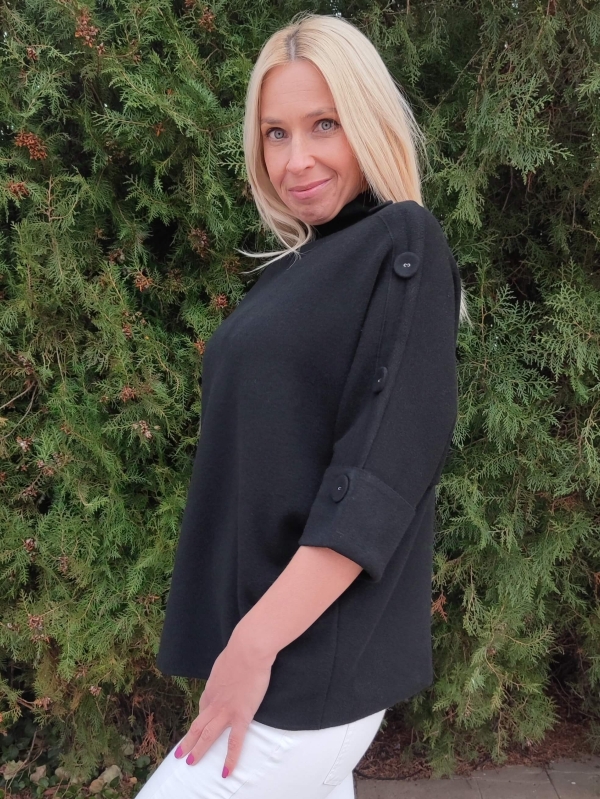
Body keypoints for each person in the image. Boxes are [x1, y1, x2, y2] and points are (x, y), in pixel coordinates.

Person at [137, 10, 470, 799]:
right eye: (275, 133)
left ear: (368, 121)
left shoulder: (404, 242)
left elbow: (376, 481)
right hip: (276, 655)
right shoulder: (296, 267)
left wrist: (252, 647)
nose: (296, 159)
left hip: (302, 669)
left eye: (324, 125)